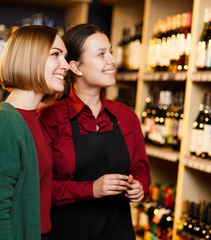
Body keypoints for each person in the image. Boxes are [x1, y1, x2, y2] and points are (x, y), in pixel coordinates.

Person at [38, 23, 151, 240]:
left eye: (111, 52)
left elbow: (141, 171)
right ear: (76, 67)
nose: (112, 60)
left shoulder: (126, 117)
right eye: (101, 54)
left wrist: (139, 188)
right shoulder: (49, 118)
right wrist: (91, 189)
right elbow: (40, 189)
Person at [0, 25, 69, 240]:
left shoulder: (31, 119)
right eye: (55, 54)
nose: (65, 65)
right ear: (30, 58)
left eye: (65, 57)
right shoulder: (4, 124)